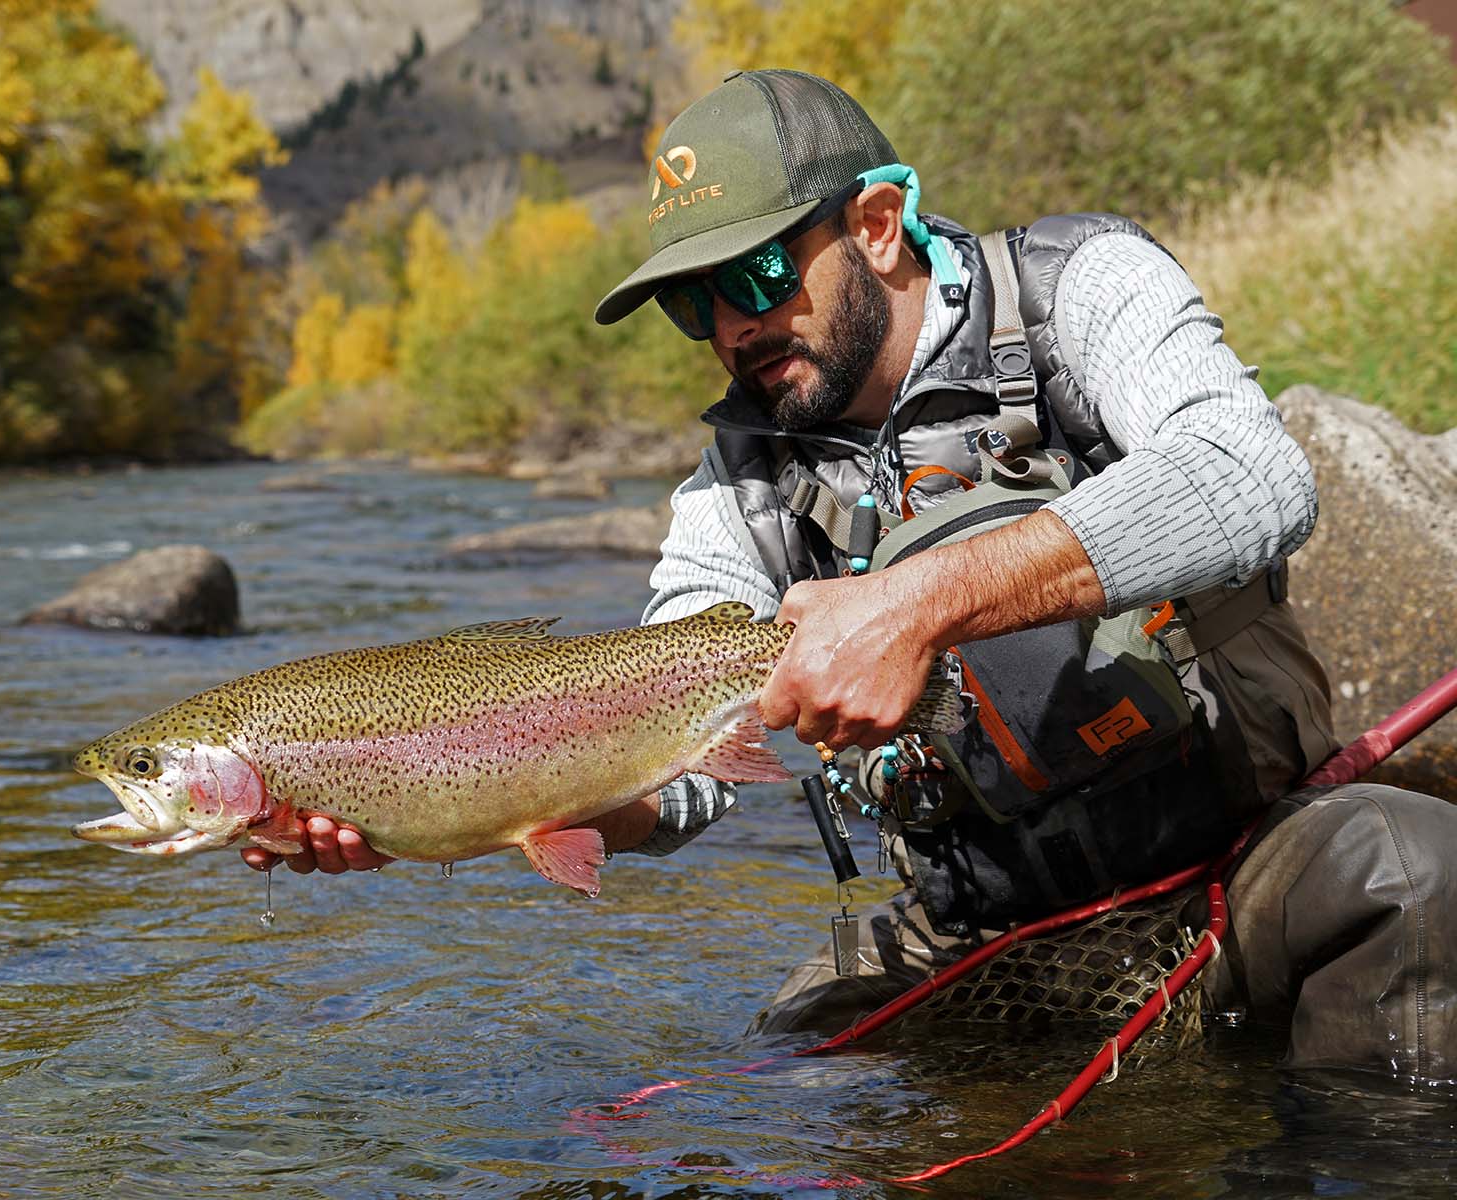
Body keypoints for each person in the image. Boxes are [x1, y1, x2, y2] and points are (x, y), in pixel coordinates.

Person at [246, 69, 1457, 1083]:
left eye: (759, 277)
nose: (731, 326)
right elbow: (675, 792)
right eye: (693, 303)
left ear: (877, 225)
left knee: (1411, 873)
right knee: (781, 1076)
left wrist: (920, 600)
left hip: (1240, 864)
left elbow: (1253, 476)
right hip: (978, 933)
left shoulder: (1081, 290)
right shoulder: (739, 489)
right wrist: (426, 806)